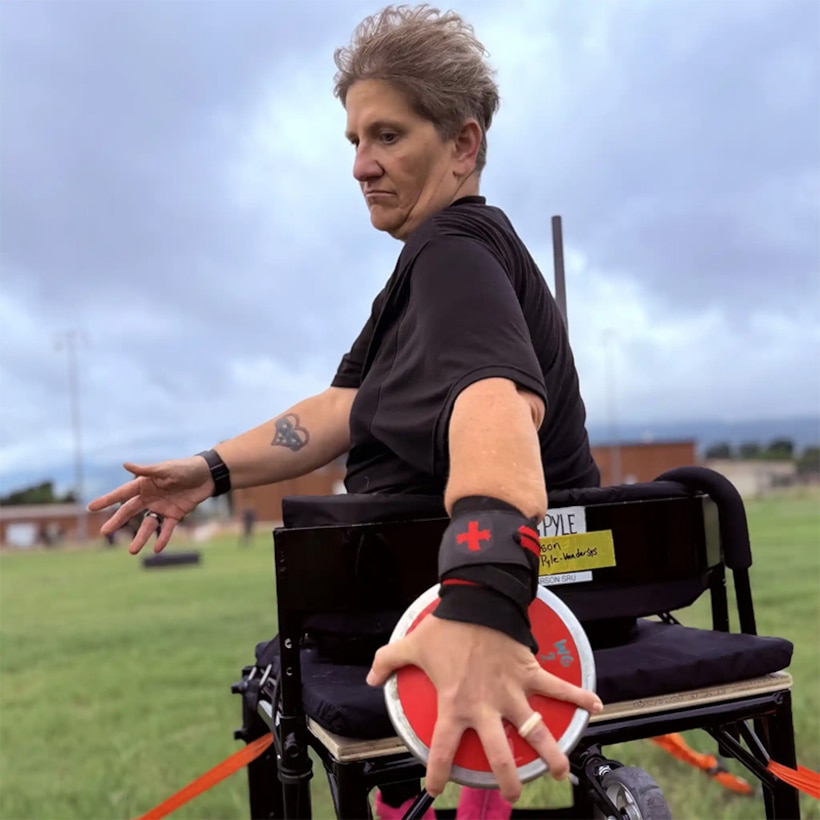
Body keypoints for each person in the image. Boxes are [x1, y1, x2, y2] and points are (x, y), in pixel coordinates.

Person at [89, 6, 604, 818]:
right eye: (356, 141)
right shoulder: (429, 272)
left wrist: (481, 602)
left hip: (498, 596)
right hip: (467, 582)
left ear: (463, 145)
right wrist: (209, 472)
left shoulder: (453, 251)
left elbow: (496, 408)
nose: (361, 165)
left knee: (276, 676)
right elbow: (340, 410)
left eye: (387, 136)